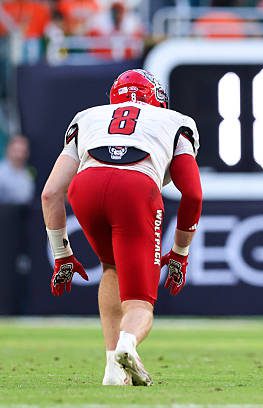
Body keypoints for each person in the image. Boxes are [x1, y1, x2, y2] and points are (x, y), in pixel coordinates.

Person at [41, 69, 202, 386]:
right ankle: (126, 346)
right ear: (157, 98)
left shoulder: (87, 117)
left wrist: (62, 254)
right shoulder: (175, 121)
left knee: (111, 267)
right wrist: (181, 253)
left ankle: (113, 370)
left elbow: (50, 193)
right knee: (141, 303)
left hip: (85, 187)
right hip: (135, 188)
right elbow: (193, 193)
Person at [0, 134, 35, 205]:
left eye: (22, 151)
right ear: (8, 150)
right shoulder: (1, 172)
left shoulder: (29, 172)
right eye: (16, 151)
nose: (19, 155)